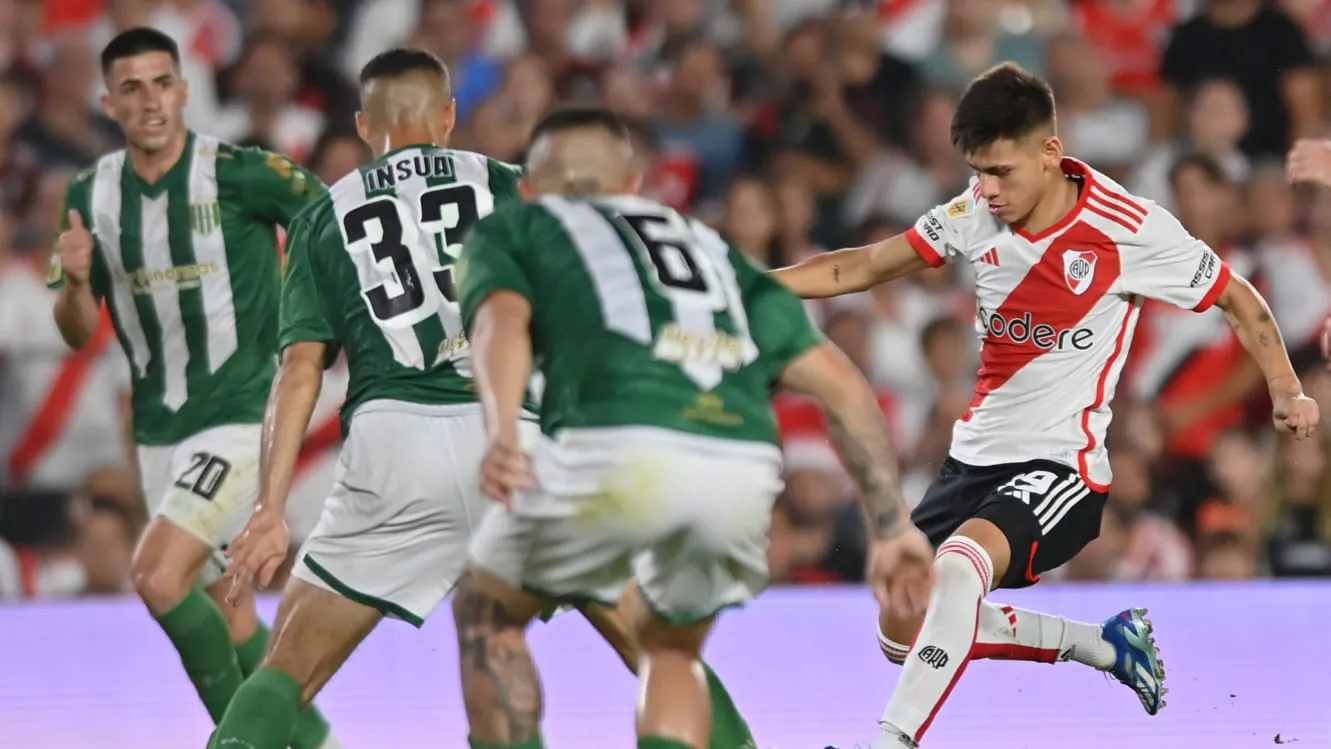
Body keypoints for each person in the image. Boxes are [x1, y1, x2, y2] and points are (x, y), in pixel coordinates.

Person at [212, 53, 761, 749]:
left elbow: (299, 371)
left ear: (361, 126)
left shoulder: (324, 216)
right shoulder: (508, 185)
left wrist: (268, 508)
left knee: (287, 667)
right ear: (447, 116)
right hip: (515, 439)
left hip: (395, 447)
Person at [770, 63, 1320, 748]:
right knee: (905, 630)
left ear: (1049, 153)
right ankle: (1105, 645)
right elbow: (865, 265)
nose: (988, 189)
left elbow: (1237, 296)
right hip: (971, 460)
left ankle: (888, 739)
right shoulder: (976, 208)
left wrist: (1285, 386)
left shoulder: (1126, 229)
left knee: (955, 571)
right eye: (978, 170)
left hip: (1063, 467)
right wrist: (755, 285)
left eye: (1001, 171)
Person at [451, 106, 937, 749]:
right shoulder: (709, 249)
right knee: (669, 650)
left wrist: (502, 432)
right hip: (739, 469)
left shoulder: (519, 225)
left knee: (487, 612)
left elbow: (501, 325)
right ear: (632, 183)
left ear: (531, 188)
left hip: (614, 447)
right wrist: (892, 523)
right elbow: (842, 385)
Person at [47, 27, 339, 748]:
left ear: (183, 89)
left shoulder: (240, 172)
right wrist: (78, 282)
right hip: (159, 434)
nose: (150, 99)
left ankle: (237, 742)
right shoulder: (90, 194)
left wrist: (317, 327)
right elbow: (76, 329)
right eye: (132, 87)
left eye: (161, 82)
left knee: (155, 573)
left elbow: (334, 224)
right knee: (230, 611)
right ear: (109, 101)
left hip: (242, 415)